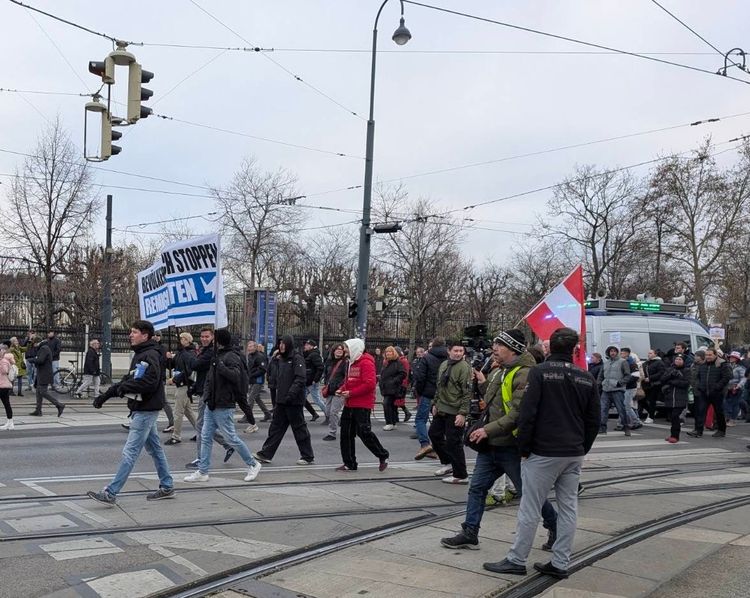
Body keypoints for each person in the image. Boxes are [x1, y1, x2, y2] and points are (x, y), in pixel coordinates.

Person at [483, 327, 599, 580]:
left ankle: (517, 559)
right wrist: (582, 447)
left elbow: (528, 413)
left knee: (530, 508)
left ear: (549, 348)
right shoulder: (585, 377)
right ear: (574, 349)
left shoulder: (540, 373)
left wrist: (524, 448)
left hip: (544, 451)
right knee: (569, 507)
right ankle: (560, 562)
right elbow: (593, 420)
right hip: (573, 451)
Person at [441, 329, 558, 549]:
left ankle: (555, 525)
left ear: (512, 349)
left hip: (511, 446)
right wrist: (483, 381)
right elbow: (492, 399)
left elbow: (518, 413)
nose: (494, 349)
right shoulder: (500, 371)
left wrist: (487, 430)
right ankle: (470, 531)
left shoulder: (525, 374)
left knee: (529, 494)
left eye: (499, 346)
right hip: (492, 445)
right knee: (477, 488)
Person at [87, 320, 175, 505]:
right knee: (155, 449)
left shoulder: (148, 355)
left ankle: (111, 492)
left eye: (134, 332)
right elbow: (131, 379)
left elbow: (149, 382)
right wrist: (107, 395)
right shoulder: (143, 354)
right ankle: (167, 486)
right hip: (145, 407)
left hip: (146, 409)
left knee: (130, 452)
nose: (130, 335)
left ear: (145, 335)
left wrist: (121, 388)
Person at [184, 328, 262, 483]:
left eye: (214, 339)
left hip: (224, 404)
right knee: (205, 437)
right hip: (211, 403)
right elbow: (210, 379)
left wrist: (219, 365)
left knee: (231, 438)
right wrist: (206, 395)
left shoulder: (231, 356)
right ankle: (203, 471)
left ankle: (253, 464)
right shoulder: (217, 355)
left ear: (218, 341)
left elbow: (235, 376)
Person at [254, 335, 314, 465]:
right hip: (282, 400)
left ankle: (307, 456)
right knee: (276, 428)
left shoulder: (297, 358)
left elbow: (300, 378)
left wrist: (291, 394)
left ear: (289, 344)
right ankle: (266, 454)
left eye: (284, 343)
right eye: (280, 343)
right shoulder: (281, 359)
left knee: (299, 428)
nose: (281, 346)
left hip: (294, 401)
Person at [336, 338, 389, 472]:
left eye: (346, 348)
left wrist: (351, 393)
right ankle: (349, 463)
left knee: (364, 432)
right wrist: (342, 389)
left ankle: (382, 455)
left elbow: (369, 384)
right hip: (350, 403)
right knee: (346, 434)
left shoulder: (366, 363)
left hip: (362, 404)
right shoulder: (351, 363)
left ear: (354, 349)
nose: (345, 350)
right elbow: (349, 381)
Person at [186, 327, 235, 469]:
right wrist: (195, 387)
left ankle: (201, 459)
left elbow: (195, 365)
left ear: (213, 337)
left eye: (207, 336)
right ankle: (228, 445)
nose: (204, 339)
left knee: (201, 426)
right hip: (205, 392)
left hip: (209, 395)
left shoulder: (210, 353)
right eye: (202, 336)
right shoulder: (206, 351)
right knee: (206, 426)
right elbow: (203, 374)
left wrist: (185, 354)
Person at [429, 341, 472, 484]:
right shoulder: (444, 365)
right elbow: (439, 385)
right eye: (456, 350)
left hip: (455, 409)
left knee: (454, 442)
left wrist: (462, 413)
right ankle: (448, 463)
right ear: (449, 351)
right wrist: (435, 403)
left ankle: (461, 474)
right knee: (434, 434)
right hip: (442, 407)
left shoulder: (464, 367)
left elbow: (466, 392)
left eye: (461, 351)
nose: (458, 353)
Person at [413, 338, 449, 460]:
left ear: (432, 346)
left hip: (428, 393)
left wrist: (420, 391)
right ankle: (437, 447)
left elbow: (420, 377)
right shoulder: (449, 358)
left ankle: (425, 444)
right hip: (443, 395)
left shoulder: (426, 358)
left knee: (420, 419)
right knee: (438, 421)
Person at [688, 347, 732, 438]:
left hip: (717, 393)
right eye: (706, 355)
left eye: (710, 355)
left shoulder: (722, 364)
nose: (708, 357)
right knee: (701, 411)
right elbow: (699, 377)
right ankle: (698, 431)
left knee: (719, 412)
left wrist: (717, 387)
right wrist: (700, 386)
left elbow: (727, 377)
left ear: (715, 355)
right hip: (704, 392)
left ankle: (721, 430)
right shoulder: (703, 365)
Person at [164, 332, 197, 445]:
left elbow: (188, 370)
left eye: (182, 339)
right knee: (188, 411)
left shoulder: (189, 354)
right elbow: (172, 365)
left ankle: (176, 436)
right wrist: (168, 359)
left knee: (178, 412)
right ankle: (201, 432)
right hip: (182, 384)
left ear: (188, 341)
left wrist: (174, 379)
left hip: (185, 384)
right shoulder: (181, 353)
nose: (179, 341)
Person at [597, 346, 632, 436]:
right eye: (610, 351)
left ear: (617, 352)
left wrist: (619, 383)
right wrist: (599, 384)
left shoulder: (622, 362)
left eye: (614, 351)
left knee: (621, 409)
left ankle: (626, 427)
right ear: (608, 353)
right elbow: (601, 376)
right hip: (606, 389)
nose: (612, 353)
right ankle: (602, 427)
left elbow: (628, 376)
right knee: (603, 409)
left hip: (617, 390)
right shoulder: (605, 363)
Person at [28, 335, 65, 417]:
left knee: (43, 392)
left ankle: (59, 405)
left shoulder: (44, 348)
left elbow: (40, 360)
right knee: (38, 392)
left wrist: (31, 360)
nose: (32, 345)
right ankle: (38, 410)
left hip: (44, 374)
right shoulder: (43, 347)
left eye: (33, 343)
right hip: (41, 373)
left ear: (36, 342)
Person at [661, 354, 690, 443]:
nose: (678, 361)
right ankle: (672, 434)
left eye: (680, 359)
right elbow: (662, 379)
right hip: (669, 397)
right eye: (676, 359)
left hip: (680, 397)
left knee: (675, 416)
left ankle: (675, 436)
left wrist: (674, 381)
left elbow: (686, 383)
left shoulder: (687, 370)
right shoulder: (670, 369)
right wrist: (670, 375)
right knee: (671, 417)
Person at [322, 343, 348, 441]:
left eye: (341, 349)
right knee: (328, 411)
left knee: (333, 412)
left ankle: (332, 433)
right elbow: (326, 374)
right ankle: (342, 420)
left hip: (339, 391)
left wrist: (340, 387)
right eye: (337, 349)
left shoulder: (345, 362)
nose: (339, 351)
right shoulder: (329, 362)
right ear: (333, 351)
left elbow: (346, 377)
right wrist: (326, 384)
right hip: (330, 390)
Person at [379, 346, 406, 431]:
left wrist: (394, 381)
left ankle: (389, 422)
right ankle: (393, 422)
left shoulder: (397, 363)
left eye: (390, 352)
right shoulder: (387, 363)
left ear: (393, 353)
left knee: (386, 403)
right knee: (392, 405)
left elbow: (403, 373)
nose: (388, 353)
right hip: (386, 387)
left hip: (393, 388)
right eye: (387, 352)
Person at [152, 332, 174, 434]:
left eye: (158, 335)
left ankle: (172, 422)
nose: (156, 337)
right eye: (154, 335)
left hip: (159, 377)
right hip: (151, 377)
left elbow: (163, 362)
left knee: (163, 401)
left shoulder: (162, 347)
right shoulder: (149, 346)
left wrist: (167, 357)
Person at [246, 340, 272, 423]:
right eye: (248, 346)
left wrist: (252, 375)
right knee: (257, 398)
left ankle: (247, 416)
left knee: (251, 398)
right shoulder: (250, 356)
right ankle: (267, 414)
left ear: (255, 347)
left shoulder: (260, 356)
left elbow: (263, 369)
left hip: (258, 380)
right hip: (252, 380)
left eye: (250, 346)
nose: (248, 348)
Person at [303, 339, 326, 421]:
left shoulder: (314, 355)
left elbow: (320, 368)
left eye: (306, 345)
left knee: (317, 400)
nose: (305, 346)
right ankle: (314, 414)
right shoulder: (310, 354)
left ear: (311, 346)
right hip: (308, 381)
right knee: (302, 398)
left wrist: (315, 380)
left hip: (312, 382)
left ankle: (329, 415)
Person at [641, 349, 666, 423]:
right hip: (646, 384)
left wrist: (650, 378)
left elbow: (661, 373)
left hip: (655, 384)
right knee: (642, 399)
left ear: (655, 354)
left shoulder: (659, 362)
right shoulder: (646, 362)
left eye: (650, 353)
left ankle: (651, 417)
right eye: (648, 353)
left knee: (652, 400)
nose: (649, 354)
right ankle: (651, 411)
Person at [725, 351, 746, 427]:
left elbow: (744, 378)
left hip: (736, 388)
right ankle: (728, 418)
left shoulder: (741, 368)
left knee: (735, 404)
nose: (731, 358)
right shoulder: (728, 366)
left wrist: (739, 386)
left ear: (737, 359)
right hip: (728, 388)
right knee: (727, 403)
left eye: (733, 357)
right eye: (730, 357)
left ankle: (732, 420)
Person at [394, 346, 412, 422]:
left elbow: (405, 373)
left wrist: (403, 383)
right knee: (396, 400)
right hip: (400, 383)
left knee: (398, 400)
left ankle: (406, 413)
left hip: (401, 384)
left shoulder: (403, 361)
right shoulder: (401, 360)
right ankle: (396, 416)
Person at [0, 346, 15, 430]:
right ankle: (10, 423)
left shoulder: (3, 361)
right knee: (6, 404)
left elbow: (5, 371)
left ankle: (10, 423)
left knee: (6, 404)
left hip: (3, 386)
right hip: (3, 385)